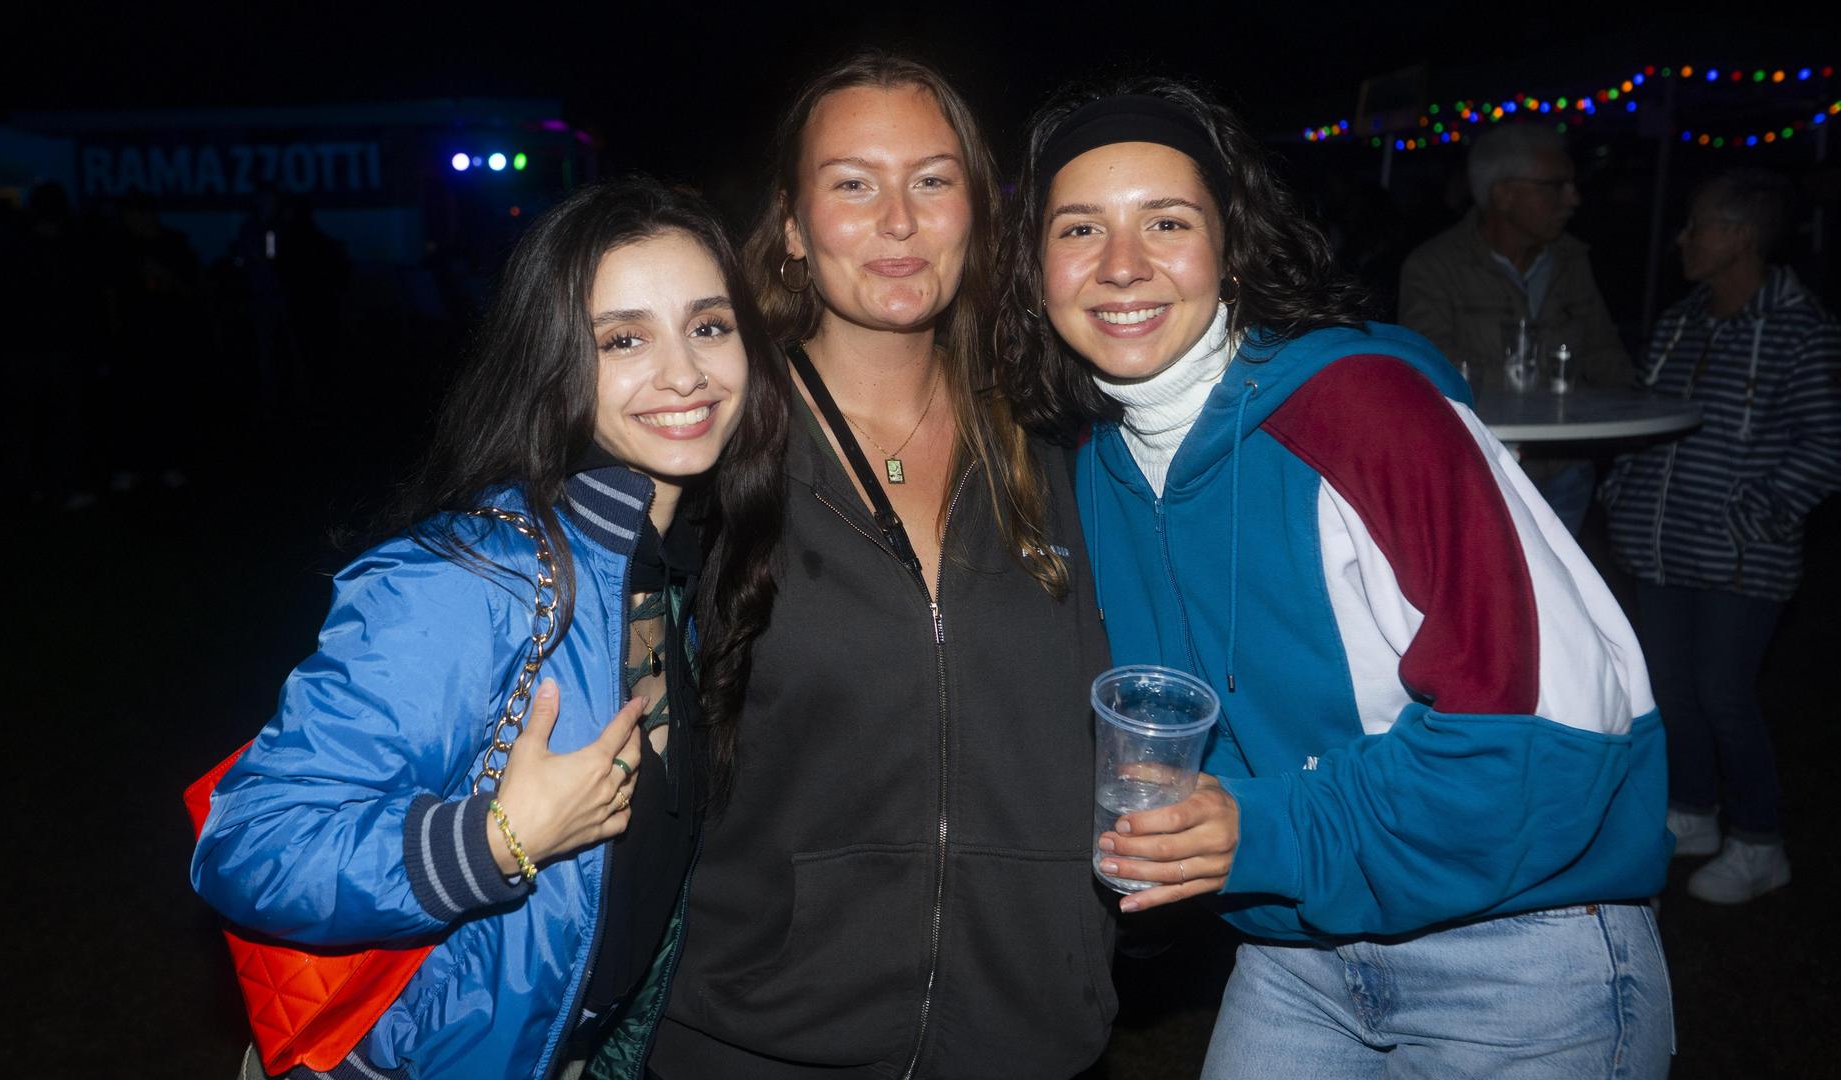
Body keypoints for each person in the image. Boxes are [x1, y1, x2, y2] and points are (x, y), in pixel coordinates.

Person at [999, 77, 1672, 1078]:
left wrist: (1264, 830)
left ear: (1231, 243)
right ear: (1036, 267)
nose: (1123, 266)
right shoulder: (1095, 466)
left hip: (1522, 954)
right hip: (1298, 952)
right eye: (1080, 229)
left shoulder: (1365, 412)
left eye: (1167, 221)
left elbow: (1549, 736)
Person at [190, 177, 789, 1080]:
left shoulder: (677, 563)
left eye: (709, 326)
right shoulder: (470, 577)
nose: (684, 373)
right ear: (553, 362)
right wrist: (495, 840)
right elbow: (251, 842)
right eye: (624, 339)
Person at [650, 52, 1117, 1079]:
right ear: (791, 225)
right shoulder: (706, 449)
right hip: (759, 1039)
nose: (898, 221)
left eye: (933, 180)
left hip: (1029, 1038)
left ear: (979, 215)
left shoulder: (1071, 439)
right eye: (853, 183)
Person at [1603, 168, 1841, 904]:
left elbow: (1828, 443)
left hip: (1743, 555)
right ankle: (1695, 812)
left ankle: (1762, 842)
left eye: (1697, 225)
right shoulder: (1681, 322)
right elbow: (1644, 414)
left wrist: (1755, 513)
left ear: (1738, 237)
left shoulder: (1803, 330)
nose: (1683, 238)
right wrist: (1622, 492)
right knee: (1671, 687)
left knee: (1723, 692)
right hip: (1662, 544)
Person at [1399, 122, 1633, 536]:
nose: (1573, 198)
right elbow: (1431, 375)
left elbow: (1605, 356)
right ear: (1504, 195)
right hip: (1480, 472)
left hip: (1565, 473)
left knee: (1557, 600)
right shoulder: (1434, 268)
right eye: (1555, 185)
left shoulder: (1572, 262)